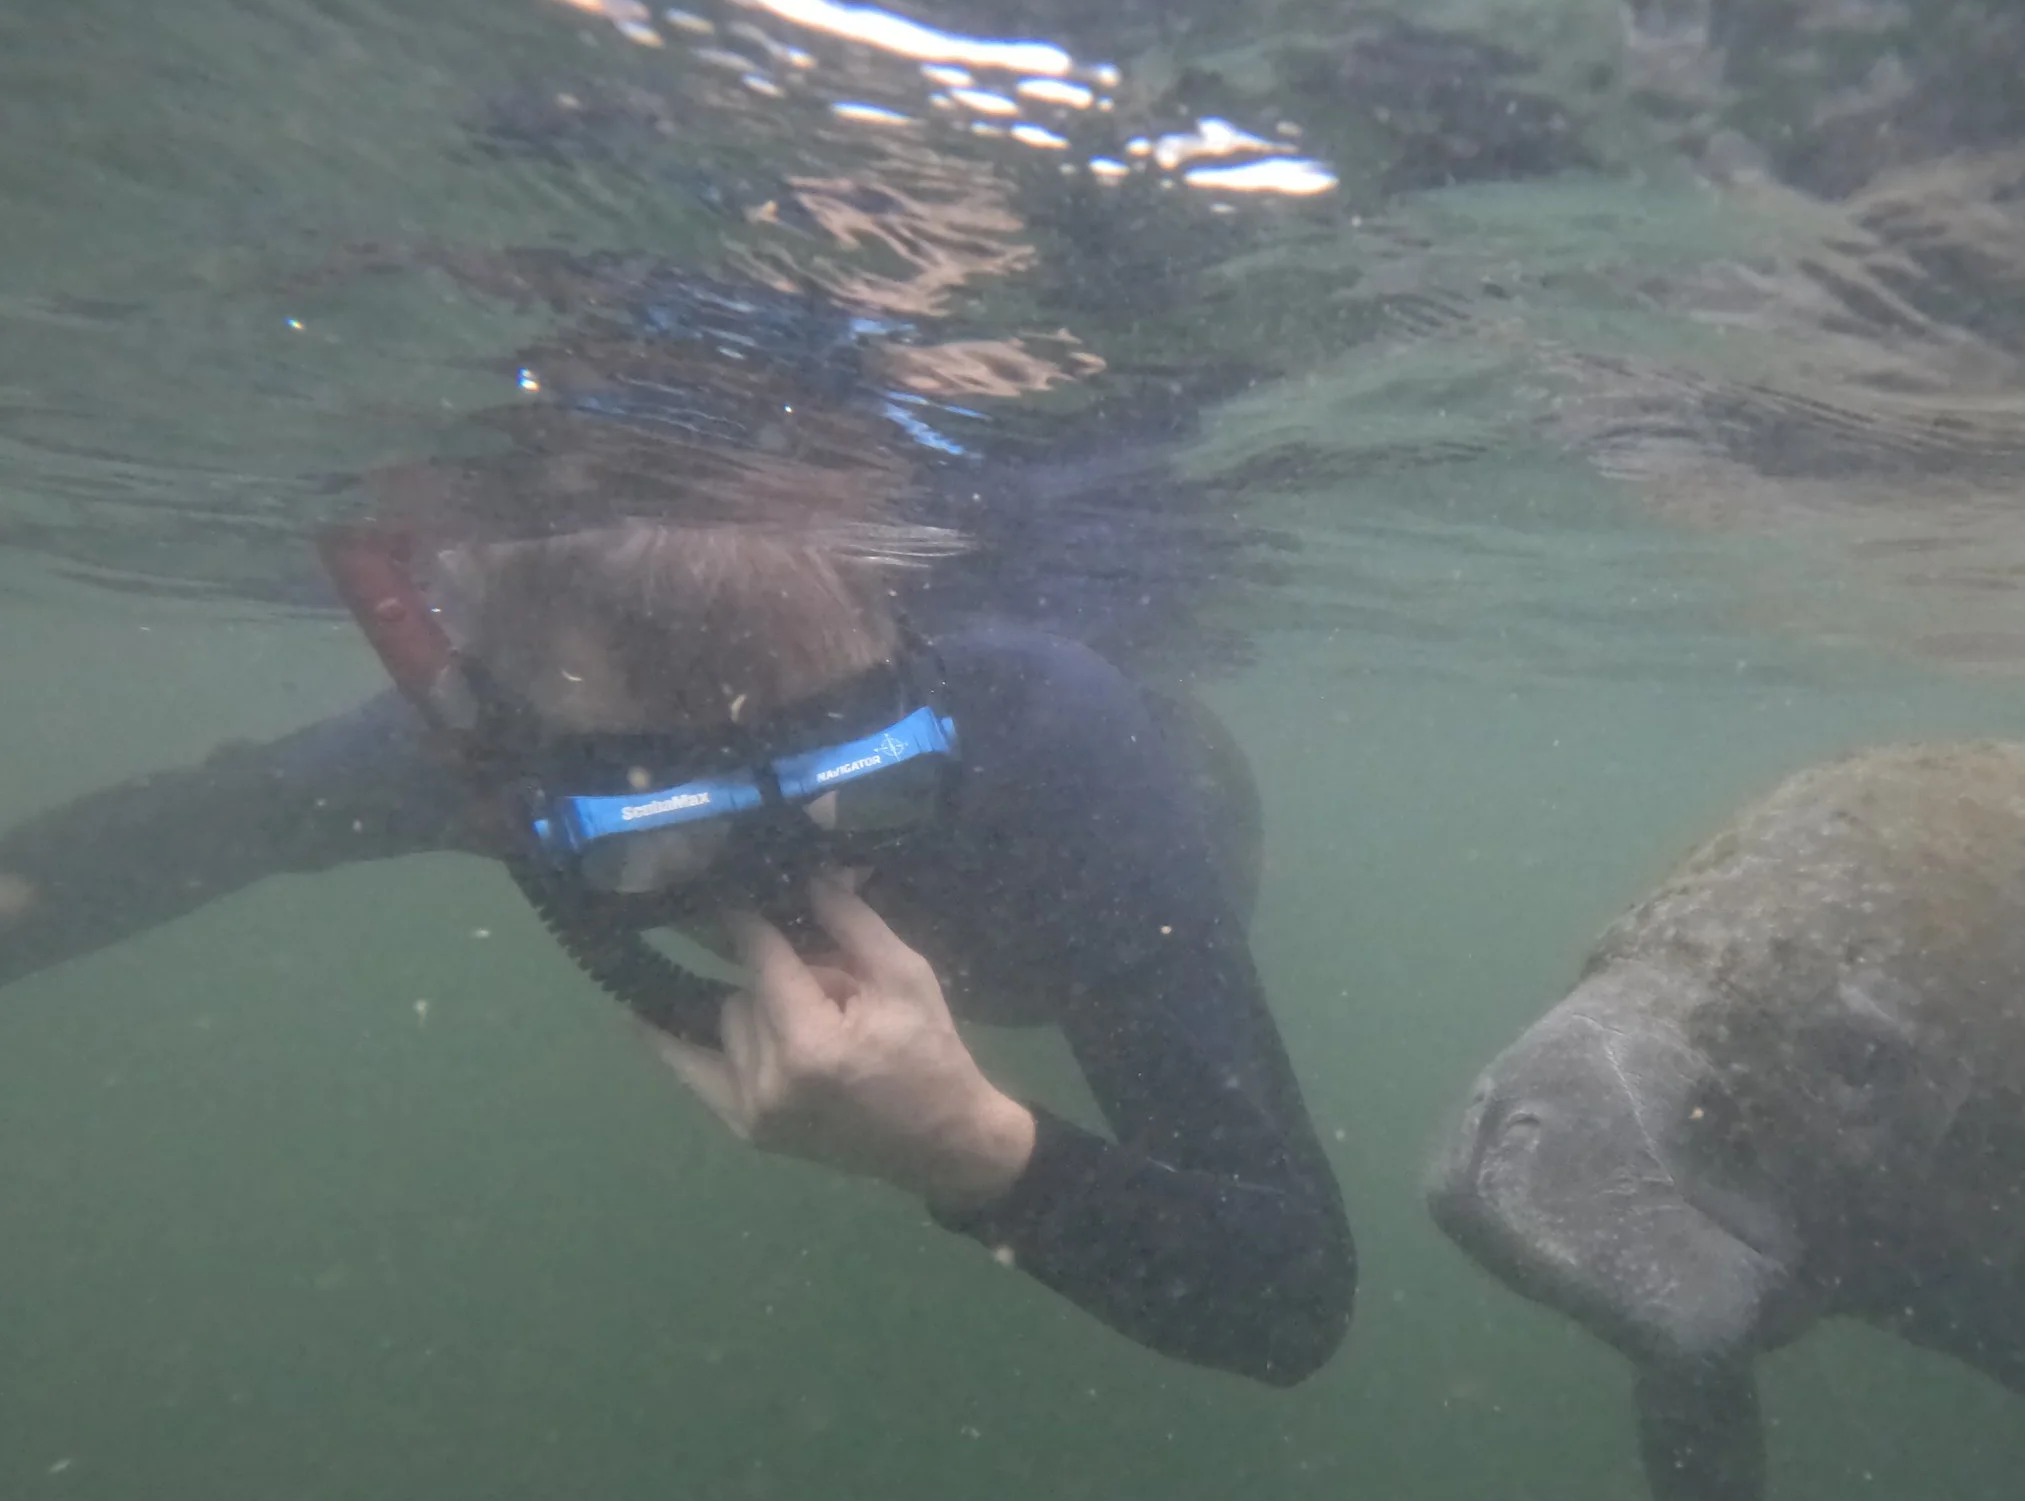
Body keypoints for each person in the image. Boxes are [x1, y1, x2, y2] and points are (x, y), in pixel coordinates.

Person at [0, 511, 1355, 1387]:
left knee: (1169, 926)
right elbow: (123, 853)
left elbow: (1290, 1290)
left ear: (911, 672)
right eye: (668, 833)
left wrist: (968, 1144)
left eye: (858, 792)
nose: (799, 881)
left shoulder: (1049, 735)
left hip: (1084, 895)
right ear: (513, 767)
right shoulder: (476, 762)